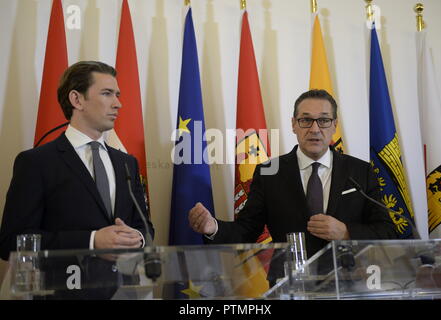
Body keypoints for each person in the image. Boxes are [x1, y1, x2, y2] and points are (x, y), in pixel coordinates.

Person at [189, 89, 397, 259]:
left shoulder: (360, 172)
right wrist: (212, 226)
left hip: (348, 281)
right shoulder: (269, 172)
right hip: (289, 284)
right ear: (293, 125)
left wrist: (346, 232)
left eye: (324, 120)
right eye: (306, 120)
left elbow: (387, 231)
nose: (315, 129)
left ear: (334, 125)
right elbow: (247, 231)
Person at [0, 61, 154, 262]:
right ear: (77, 100)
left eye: (117, 95)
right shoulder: (36, 162)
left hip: (123, 290)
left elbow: (144, 226)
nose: (118, 103)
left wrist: (139, 239)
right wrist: (91, 241)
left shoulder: (127, 163)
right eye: (107, 93)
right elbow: (11, 242)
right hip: (64, 290)